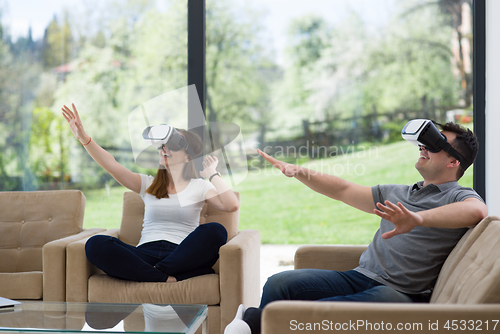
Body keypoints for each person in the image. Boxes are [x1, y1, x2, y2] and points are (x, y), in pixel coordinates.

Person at [224, 121, 488, 334]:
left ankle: (250, 323)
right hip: (360, 275)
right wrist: (300, 172)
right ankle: (255, 323)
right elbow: (343, 190)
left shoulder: (457, 195)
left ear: (454, 162)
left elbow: (477, 211)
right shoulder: (396, 192)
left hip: (402, 293)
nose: (423, 146)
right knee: (279, 283)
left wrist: (419, 219)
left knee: (313, 313)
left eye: (435, 144)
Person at [62, 103, 239, 283]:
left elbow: (231, 205)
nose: (164, 149)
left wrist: (212, 174)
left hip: (181, 255)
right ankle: (163, 277)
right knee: (96, 244)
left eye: (173, 144)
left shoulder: (199, 186)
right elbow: (112, 165)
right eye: (163, 145)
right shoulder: (148, 184)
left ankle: (151, 273)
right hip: (143, 254)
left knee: (216, 230)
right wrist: (83, 138)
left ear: (188, 156)